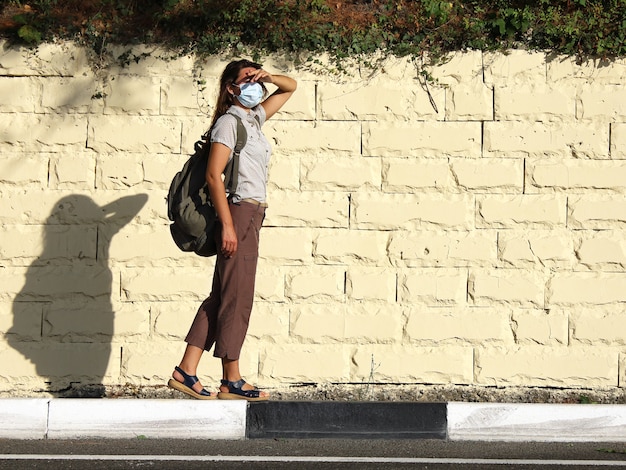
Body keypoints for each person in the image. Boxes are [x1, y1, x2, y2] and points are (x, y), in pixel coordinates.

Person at [168, 59, 297, 401]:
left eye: (257, 79)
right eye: (248, 79)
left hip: (252, 214)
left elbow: (290, 86)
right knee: (237, 297)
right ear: (231, 88)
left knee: (224, 294)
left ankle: (186, 371)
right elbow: (213, 176)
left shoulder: (253, 119)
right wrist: (227, 225)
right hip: (238, 212)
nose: (256, 85)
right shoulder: (228, 123)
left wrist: (267, 76)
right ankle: (232, 379)